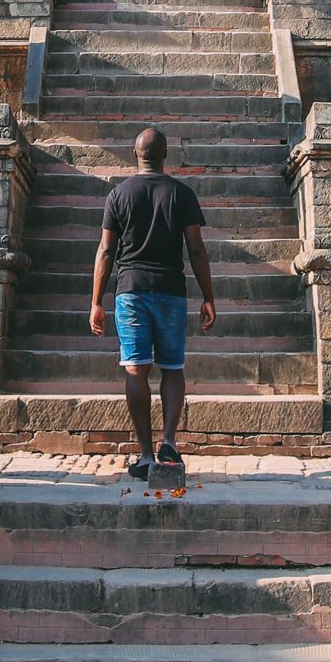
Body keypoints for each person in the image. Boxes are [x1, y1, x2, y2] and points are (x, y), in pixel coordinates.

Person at [90, 127, 217, 478]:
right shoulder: (182, 194)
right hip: (170, 290)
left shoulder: (118, 194)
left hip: (130, 290)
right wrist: (208, 297)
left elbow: (106, 251)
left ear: (135, 154)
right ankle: (170, 444)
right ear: (165, 156)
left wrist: (96, 301)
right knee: (173, 367)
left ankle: (145, 455)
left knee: (136, 367)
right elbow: (195, 248)